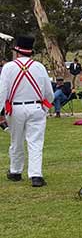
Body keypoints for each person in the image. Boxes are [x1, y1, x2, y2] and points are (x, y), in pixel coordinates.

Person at [0, 35, 54, 187]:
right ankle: (36, 175)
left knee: (16, 141)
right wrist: (44, 107)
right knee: (35, 142)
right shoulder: (39, 67)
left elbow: (2, 92)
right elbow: (49, 93)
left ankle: (15, 171)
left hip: (15, 108)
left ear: (17, 52)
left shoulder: (8, 67)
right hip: (36, 108)